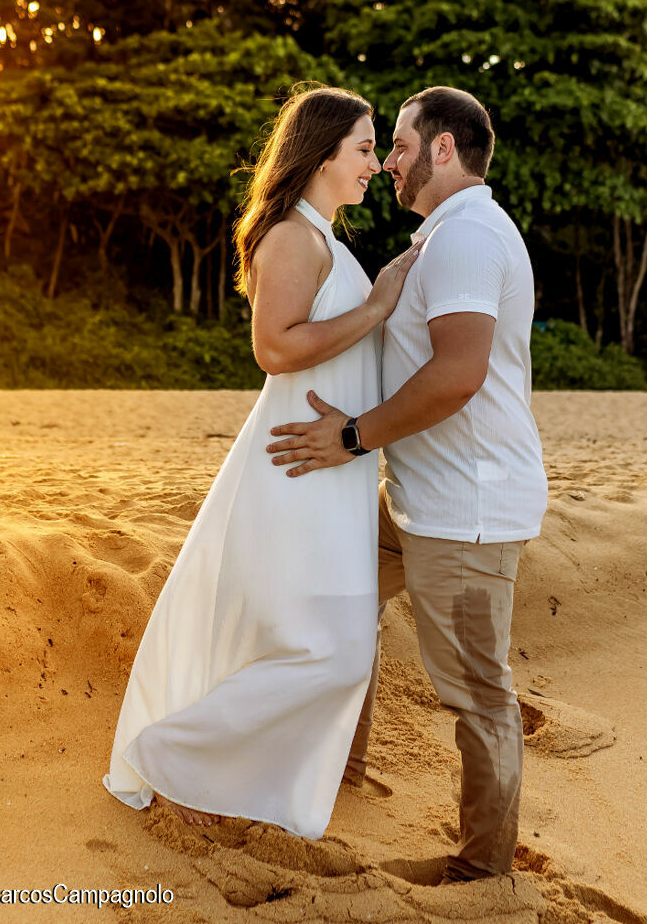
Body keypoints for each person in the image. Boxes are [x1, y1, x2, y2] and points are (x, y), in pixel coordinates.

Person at [102, 85, 419, 838]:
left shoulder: (323, 238)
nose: (374, 163)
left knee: (312, 643)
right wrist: (374, 308)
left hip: (330, 467)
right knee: (333, 655)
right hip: (296, 466)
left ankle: (230, 777)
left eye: (376, 148)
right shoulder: (291, 238)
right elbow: (273, 347)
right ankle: (170, 754)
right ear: (320, 155)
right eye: (364, 148)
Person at [265, 86, 547, 881]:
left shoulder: (465, 239)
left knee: (476, 695)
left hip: (467, 513)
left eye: (397, 144)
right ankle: (338, 770)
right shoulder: (446, 234)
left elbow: (457, 376)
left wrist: (352, 437)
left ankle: (482, 871)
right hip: (419, 502)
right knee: (339, 597)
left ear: (444, 149)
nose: (387, 161)